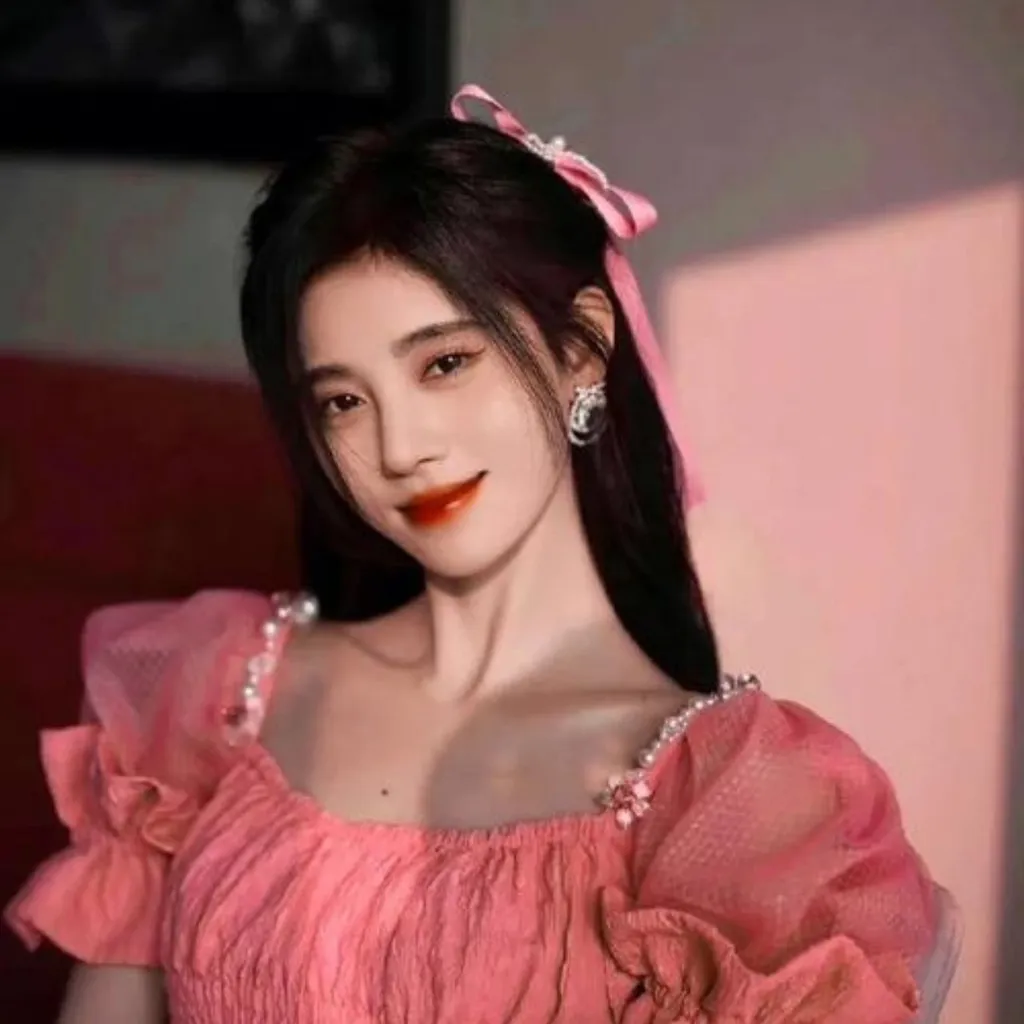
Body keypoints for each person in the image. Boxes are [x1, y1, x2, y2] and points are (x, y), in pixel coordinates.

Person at [5, 85, 939, 1023]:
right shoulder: (209, 695)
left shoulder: (738, 808)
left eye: (445, 364)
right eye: (344, 401)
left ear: (582, 348)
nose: (400, 447)